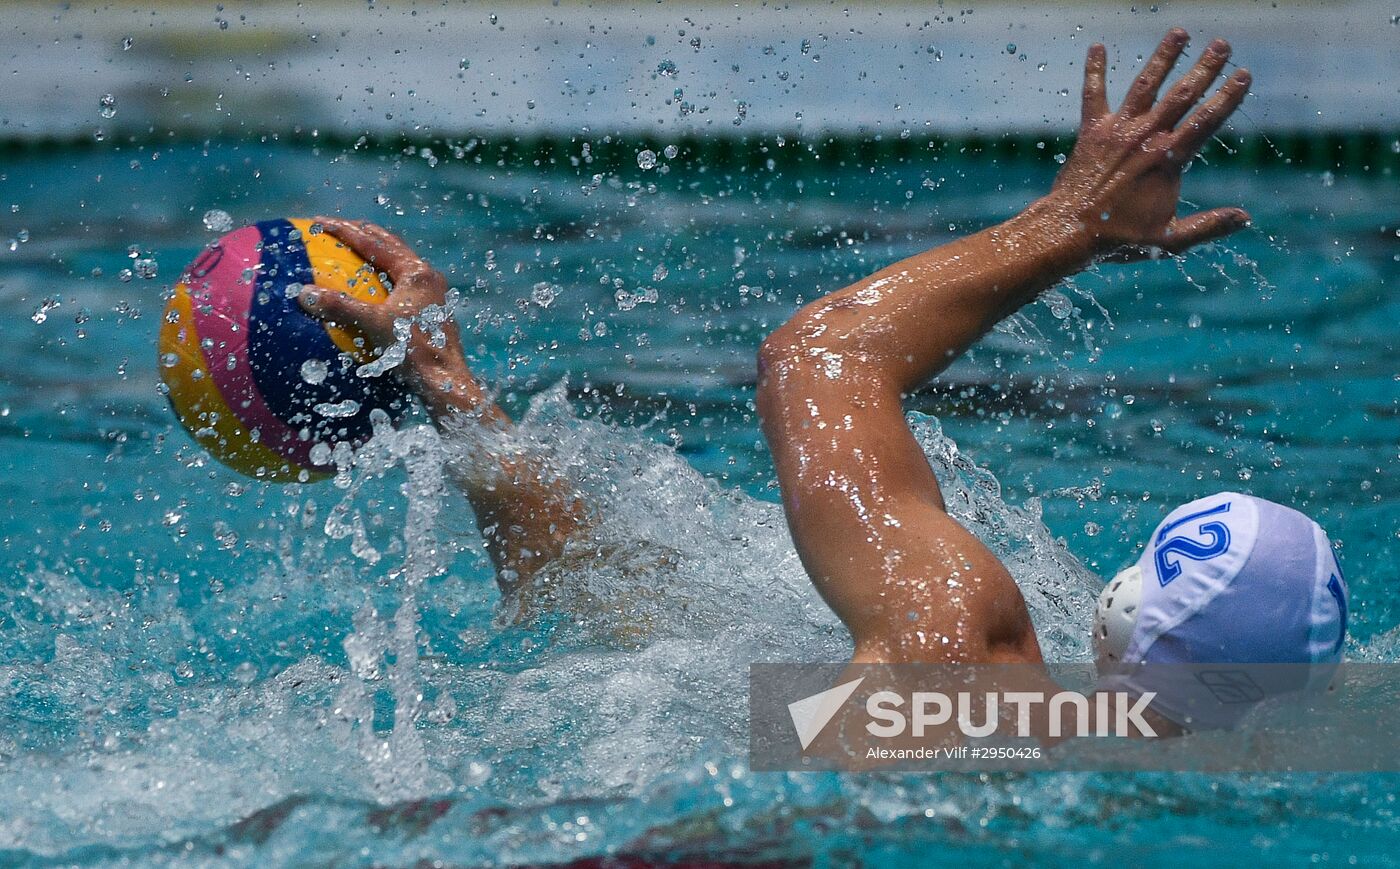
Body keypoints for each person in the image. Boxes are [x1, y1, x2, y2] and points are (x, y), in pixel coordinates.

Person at [298, 30, 1348, 735]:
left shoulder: (959, 646)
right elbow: (610, 602)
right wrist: (459, 404)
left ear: (1123, 610)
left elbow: (820, 358)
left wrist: (1065, 227)